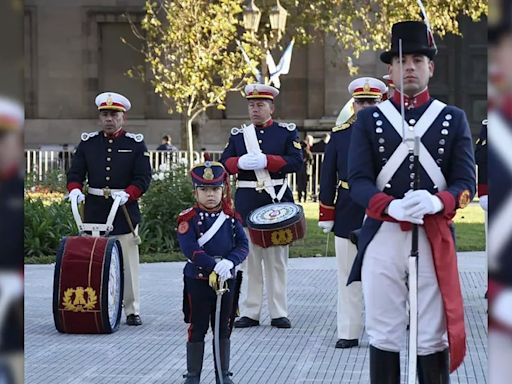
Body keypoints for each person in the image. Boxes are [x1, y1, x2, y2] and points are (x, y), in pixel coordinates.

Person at [347, 21, 475, 382]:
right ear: (390, 70)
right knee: (383, 330)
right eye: (402, 60)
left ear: (430, 67)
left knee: (431, 334)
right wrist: (388, 206)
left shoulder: (453, 118)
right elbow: (357, 181)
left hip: (432, 234)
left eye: (418, 59)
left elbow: (466, 182)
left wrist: (440, 201)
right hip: (384, 233)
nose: (410, 67)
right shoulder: (370, 119)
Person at [220, 83, 303, 329]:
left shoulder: (286, 133)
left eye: (260, 105)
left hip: (276, 201)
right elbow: (225, 163)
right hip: (248, 203)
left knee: (277, 260)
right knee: (251, 260)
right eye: (251, 105)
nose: (255, 110)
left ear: (271, 107)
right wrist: (239, 162)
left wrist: (268, 160)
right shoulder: (238, 135)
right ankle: (251, 311)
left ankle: (279, 312)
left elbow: (296, 162)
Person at [66, 91, 152, 326]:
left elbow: (143, 177)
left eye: (114, 114)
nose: (109, 119)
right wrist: (74, 189)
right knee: (92, 260)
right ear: (99, 117)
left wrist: (129, 194)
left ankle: (132, 309)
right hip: (94, 211)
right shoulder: (88, 143)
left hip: (123, 210)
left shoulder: (134, 144)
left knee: (128, 264)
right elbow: (75, 172)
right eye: (105, 114)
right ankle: (95, 303)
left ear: (122, 117)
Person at [318, 76, 386, 349]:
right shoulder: (340, 135)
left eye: (371, 102)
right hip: (347, 207)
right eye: (361, 102)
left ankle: (382, 332)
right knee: (347, 273)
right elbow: (327, 175)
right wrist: (326, 212)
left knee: (383, 274)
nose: (366, 107)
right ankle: (348, 331)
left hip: (381, 208)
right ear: (354, 104)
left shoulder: (393, 133)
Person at [178, 161, 248, 384]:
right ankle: (193, 376)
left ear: (223, 190)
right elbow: (190, 249)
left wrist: (229, 262)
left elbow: (243, 246)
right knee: (197, 327)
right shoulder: (187, 218)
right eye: (204, 190)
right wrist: (212, 264)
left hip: (226, 279)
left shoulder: (232, 218)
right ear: (195, 192)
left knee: (223, 328)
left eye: (215, 189)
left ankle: (222, 374)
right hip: (198, 280)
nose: (210, 195)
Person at [311, 133, 330, 201]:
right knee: (324, 182)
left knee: (315, 181)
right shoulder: (328, 146)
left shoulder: (315, 145)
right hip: (324, 167)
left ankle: (314, 194)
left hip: (315, 166)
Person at [296, 138, 313, 203]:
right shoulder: (308, 152)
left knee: (299, 185)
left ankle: (299, 198)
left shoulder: (298, 153)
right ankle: (305, 198)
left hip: (299, 171)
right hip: (306, 171)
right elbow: (312, 162)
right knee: (305, 185)